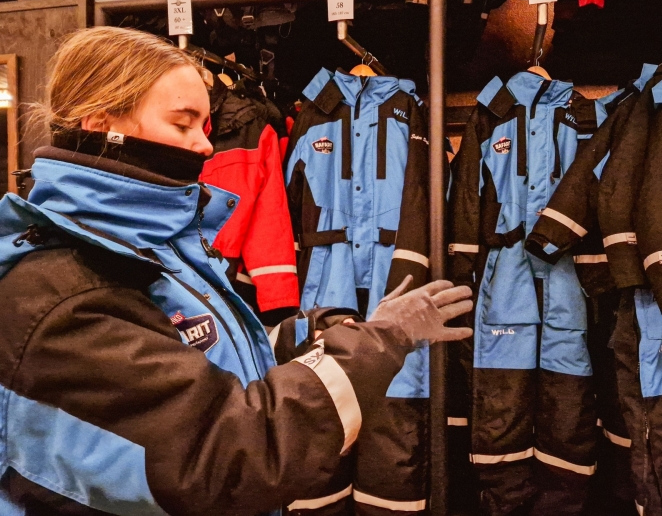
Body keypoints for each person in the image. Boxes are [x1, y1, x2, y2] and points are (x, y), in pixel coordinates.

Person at [0, 26, 472, 515]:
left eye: (206, 126)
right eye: (183, 124)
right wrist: (383, 341)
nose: (206, 147)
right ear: (102, 126)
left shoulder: (149, 248)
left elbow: (195, 353)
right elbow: (233, 452)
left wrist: (316, 333)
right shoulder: (67, 288)